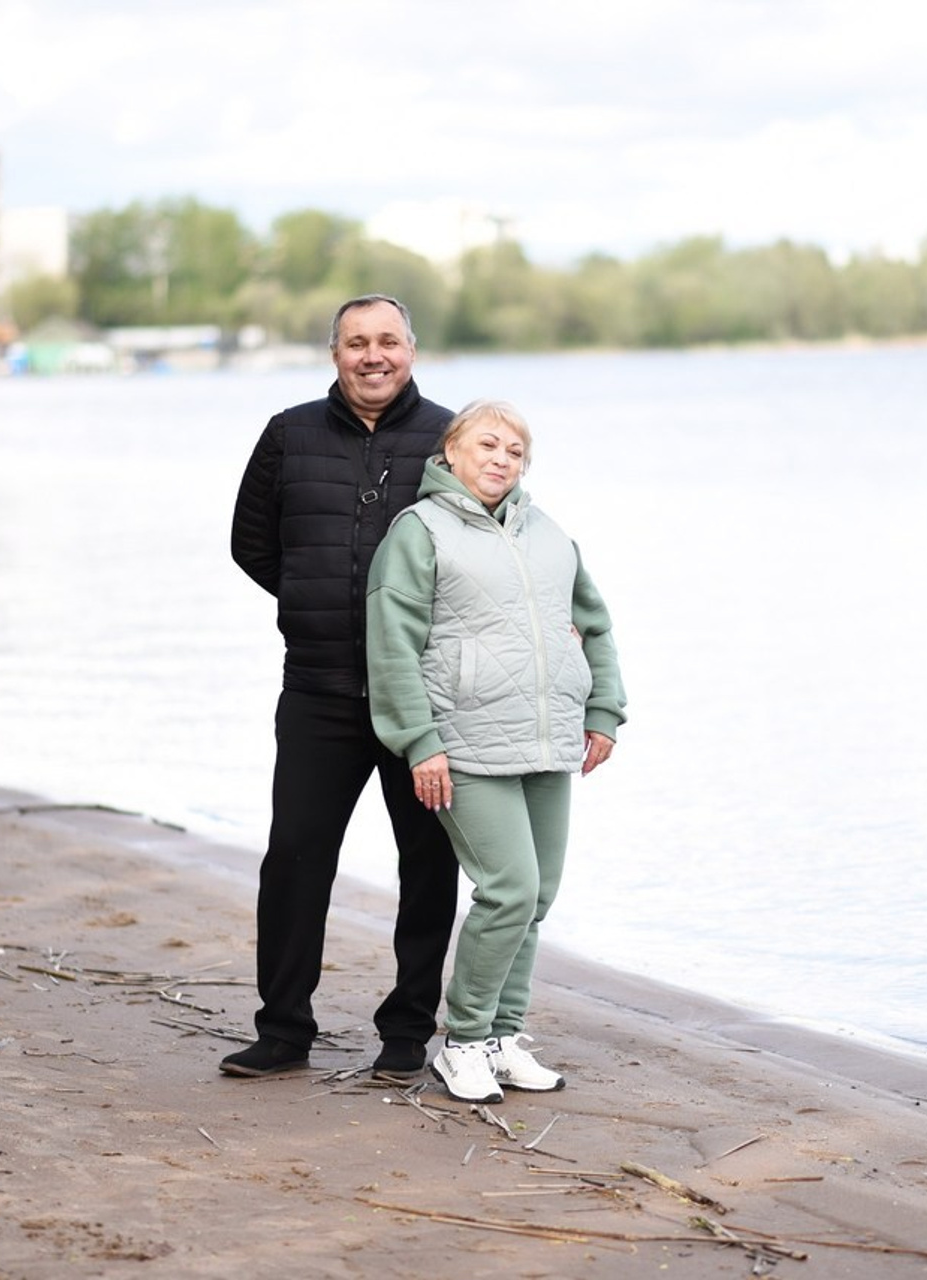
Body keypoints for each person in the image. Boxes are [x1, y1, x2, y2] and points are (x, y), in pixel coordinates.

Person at [222, 294, 460, 1079]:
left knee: (427, 864)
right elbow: (250, 544)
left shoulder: (449, 439)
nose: (373, 356)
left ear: (412, 351)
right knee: (294, 856)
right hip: (317, 689)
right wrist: (311, 599)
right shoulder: (288, 434)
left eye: (387, 341)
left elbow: (488, 551)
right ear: (334, 355)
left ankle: (406, 1033)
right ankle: (284, 1030)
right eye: (356, 342)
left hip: (422, 702)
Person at [365, 399, 626, 1103]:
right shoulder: (419, 531)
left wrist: (604, 708)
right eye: (487, 444)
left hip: (546, 741)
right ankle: (465, 1043)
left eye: (515, 451)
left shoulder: (549, 533)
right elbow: (391, 646)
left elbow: (593, 623)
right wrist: (420, 743)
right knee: (507, 888)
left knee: (536, 896)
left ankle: (505, 1037)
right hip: (465, 744)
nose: (501, 459)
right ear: (450, 452)